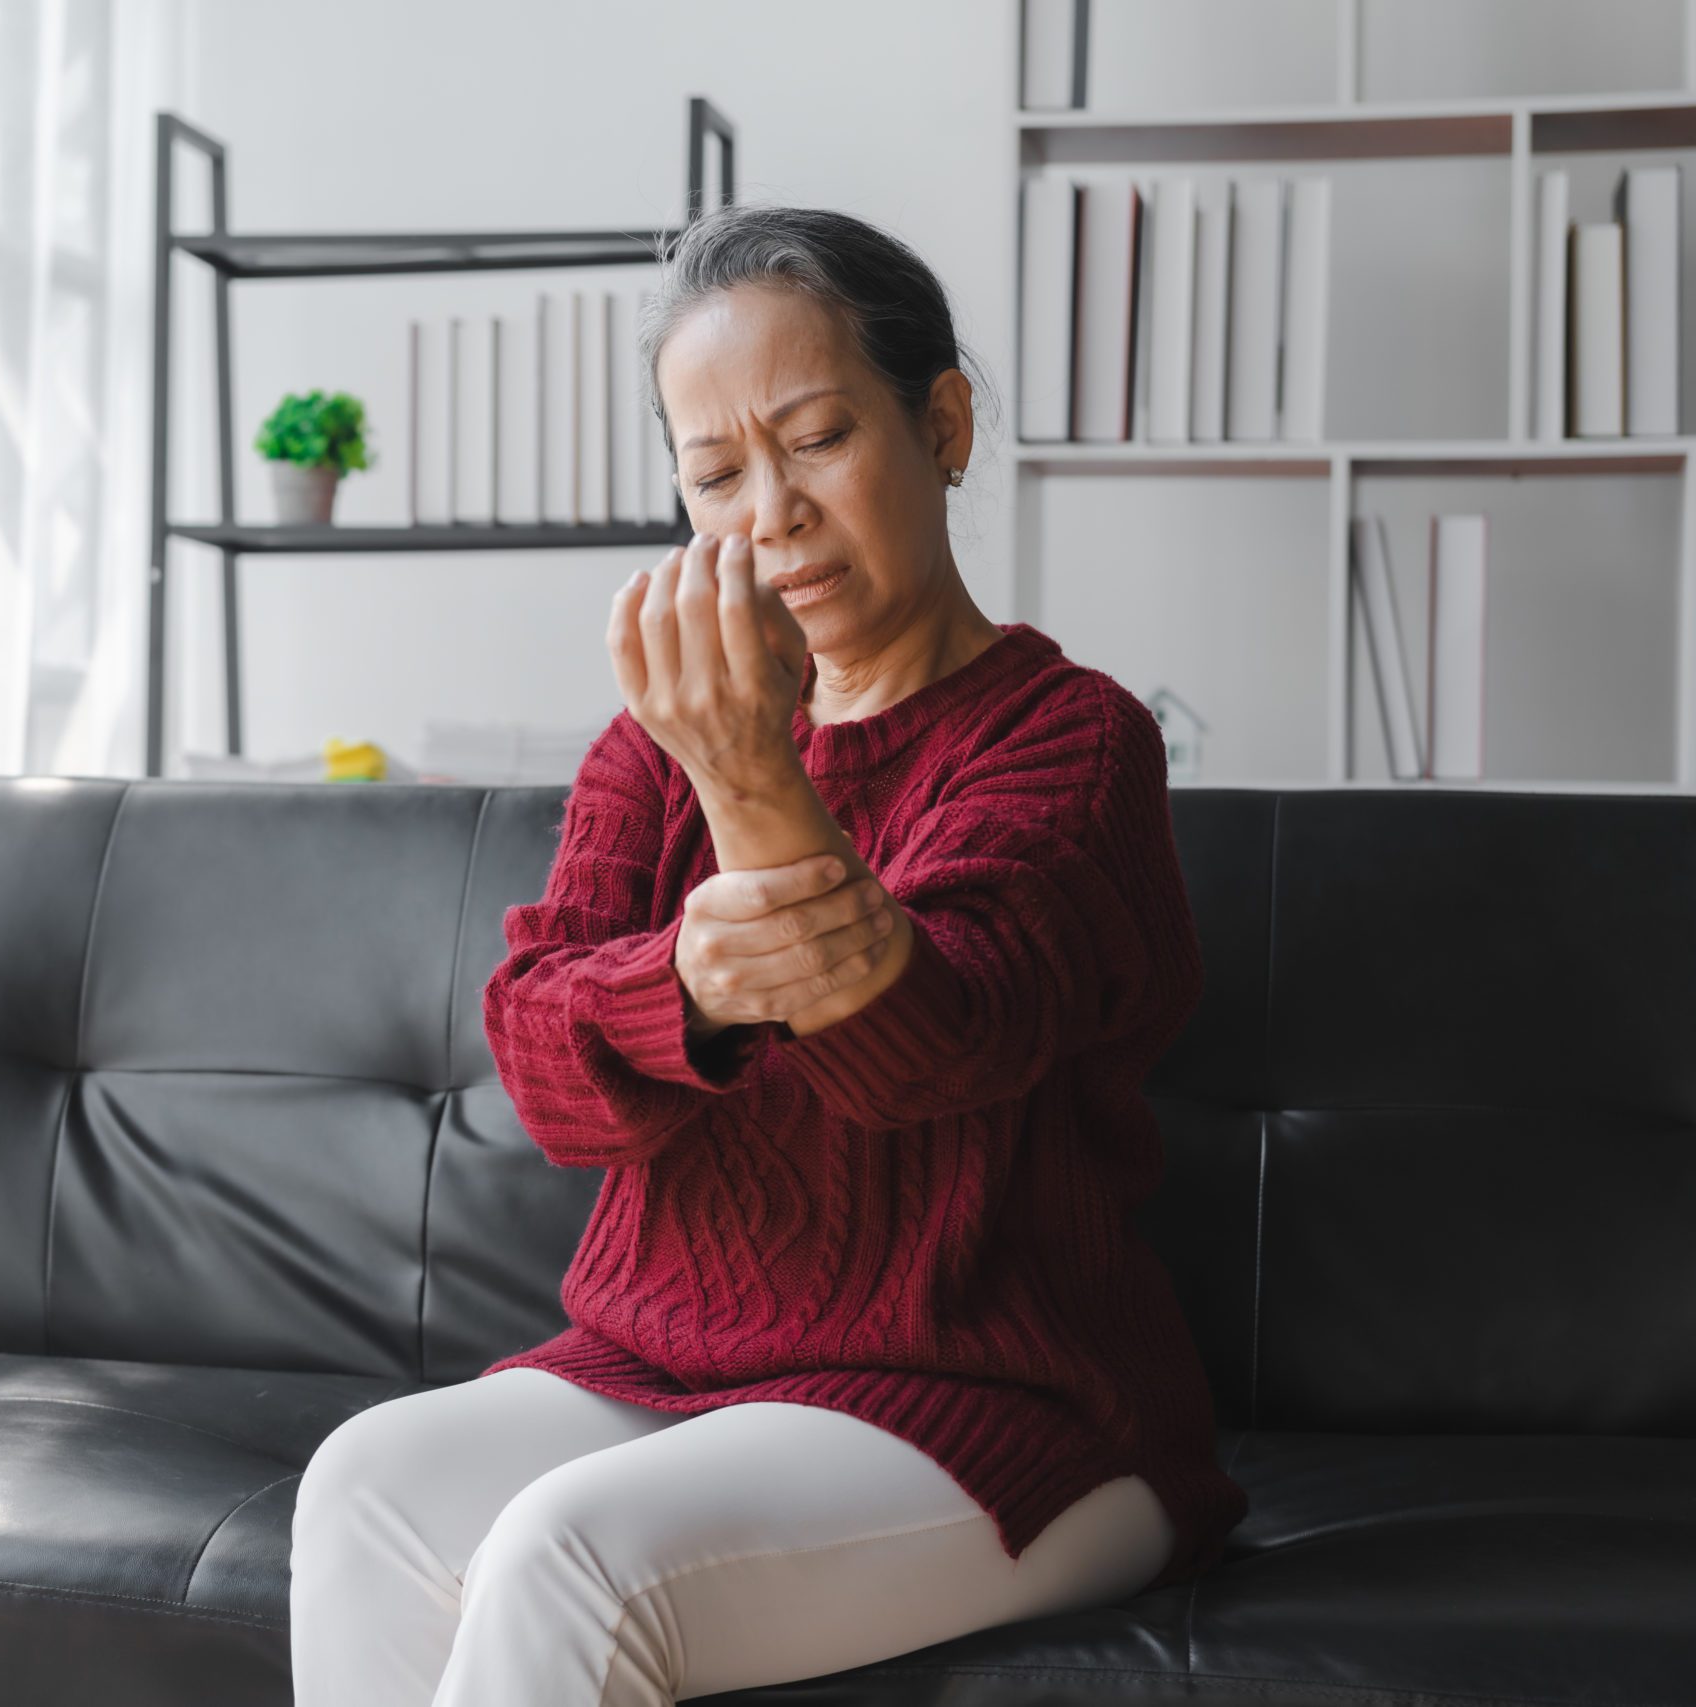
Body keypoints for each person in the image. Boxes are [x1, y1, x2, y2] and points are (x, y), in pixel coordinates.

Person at [288, 201, 1248, 1707]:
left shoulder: (1069, 740)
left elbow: (939, 1050)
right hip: (664, 1361)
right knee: (366, 1483)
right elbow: (544, 1070)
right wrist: (685, 986)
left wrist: (749, 776)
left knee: (567, 1556)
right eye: (716, 472)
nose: (770, 514)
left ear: (942, 425)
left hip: (1005, 1391)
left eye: (815, 439)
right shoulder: (650, 746)